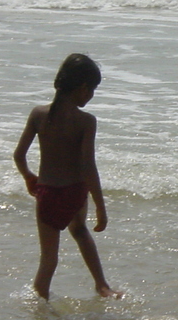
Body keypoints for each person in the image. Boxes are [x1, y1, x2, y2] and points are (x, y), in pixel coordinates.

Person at [13, 54, 121, 300]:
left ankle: (39, 306)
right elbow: (87, 167)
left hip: (47, 194)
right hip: (74, 192)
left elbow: (18, 155)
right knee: (81, 231)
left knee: (48, 259)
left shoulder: (38, 115)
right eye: (92, 89)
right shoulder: (85, 121)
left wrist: (29, 177)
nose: (91, 95)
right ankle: (102, 286)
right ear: (83, 88)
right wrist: (101, 208)